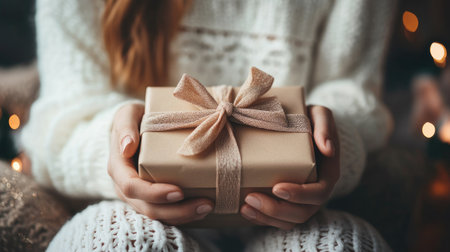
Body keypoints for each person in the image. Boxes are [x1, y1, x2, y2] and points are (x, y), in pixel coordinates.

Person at [21, 0, 395, 250]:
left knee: (344, 245)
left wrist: (331, 146)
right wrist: (119, 149)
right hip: (126, 207)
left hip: (298, 218)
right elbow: (62, 118)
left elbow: (355, 91)